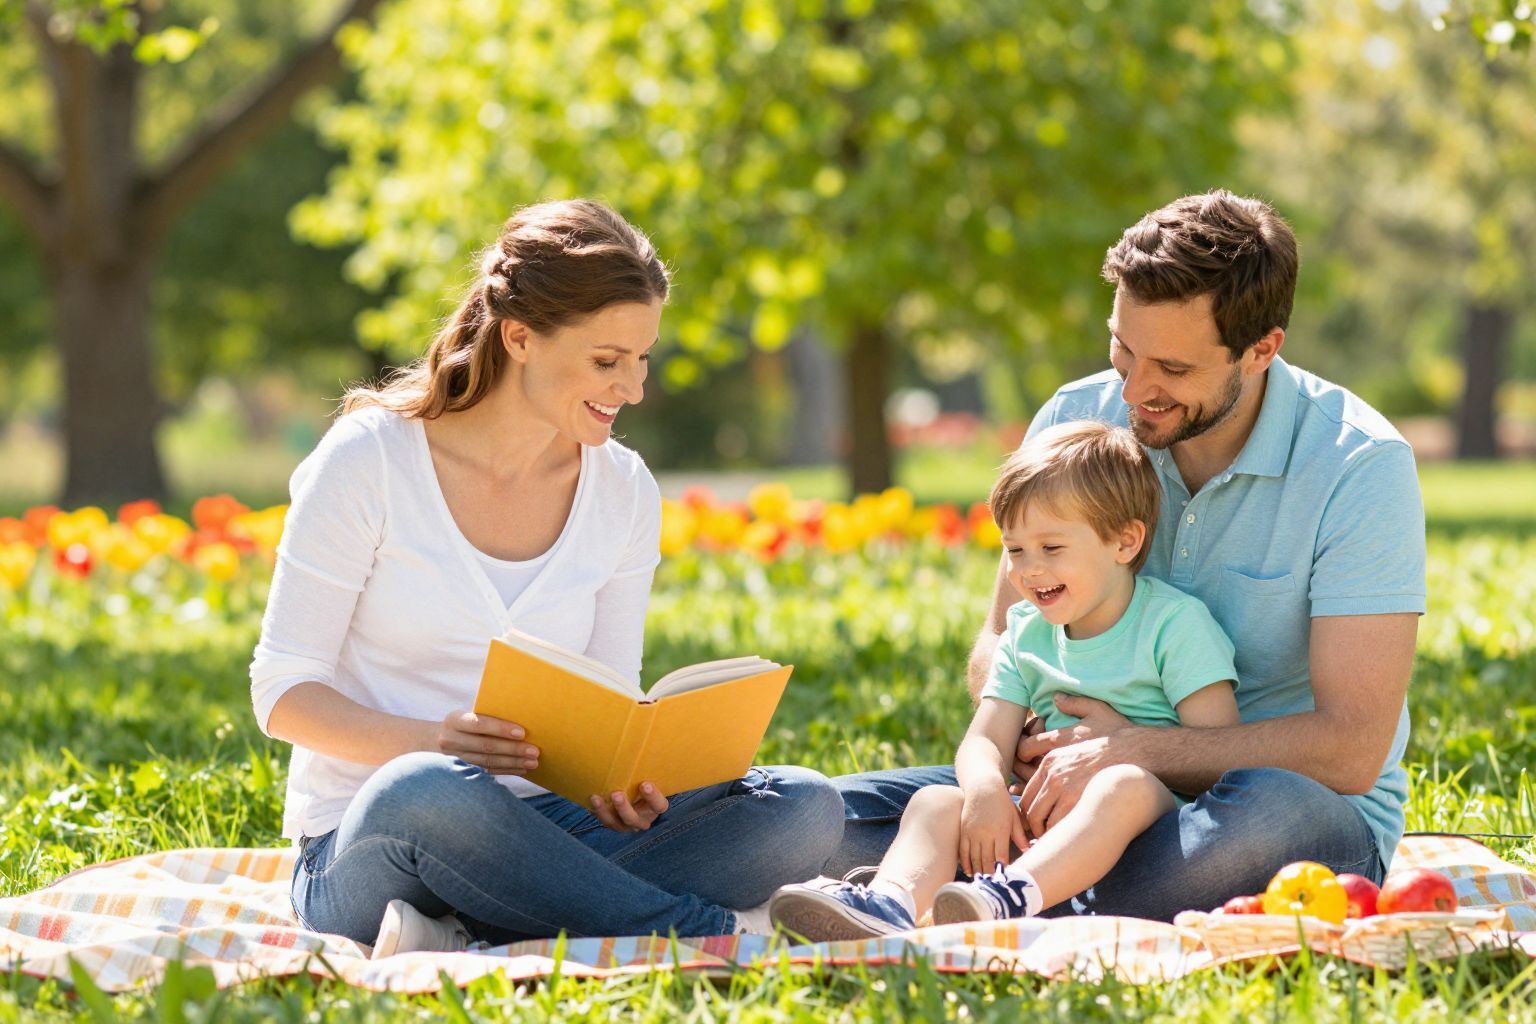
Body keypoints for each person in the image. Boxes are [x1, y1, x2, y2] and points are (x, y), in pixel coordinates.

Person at [249, 199, 843, 956]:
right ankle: (705, 934)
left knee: (803, 808)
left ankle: (472, 926)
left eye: (642, 359)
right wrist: (436, 740)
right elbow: (283, 694)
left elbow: (611, 698)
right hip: (373, 836)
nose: (632, 388)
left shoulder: (622, 488)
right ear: (520, 337)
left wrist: (623, 784)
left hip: (556, 827)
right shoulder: (369, 460)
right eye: (607, 361)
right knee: (426, 789)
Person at [827, 190, 1425, 921]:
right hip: (1071, 790)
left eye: (1171, 367)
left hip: (1268, 810)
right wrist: (1030, 742)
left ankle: (969, 891)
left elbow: (1351, 748)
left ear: (1261, 350)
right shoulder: (1076, 421)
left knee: (1266, 812)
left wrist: (1134, 750)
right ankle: (981, 888)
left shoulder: (1357, 464)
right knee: (810, 815)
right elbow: (1003, 637)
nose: (1135, 390)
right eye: (1123, 349)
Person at [771, 422, 1239, 938]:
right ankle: (888, 906)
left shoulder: (1174, 625)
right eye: (1015, 550)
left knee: (1121, 784)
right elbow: (986, 738)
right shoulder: (1027, 633)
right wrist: (986, 790)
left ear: (1125, 541)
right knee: (936, 801)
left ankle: (1007, 897)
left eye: (1051, 548)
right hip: (1041, 819)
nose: (1029, 570)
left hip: (1154, 832)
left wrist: (1129, 747)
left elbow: (1217, 754)